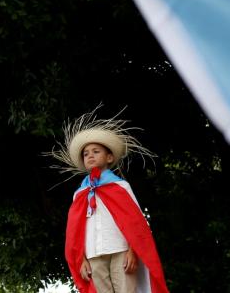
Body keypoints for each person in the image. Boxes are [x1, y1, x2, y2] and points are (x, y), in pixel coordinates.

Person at [48, 107, 168, 293]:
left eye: (96, 151)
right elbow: (76, 231)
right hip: (93, 254)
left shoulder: (120, 187)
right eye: (86, 153)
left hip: (120, 249)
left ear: (109, 157)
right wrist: (81, 259)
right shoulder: (80, 193)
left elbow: (136, 223)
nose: (90, 155)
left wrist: (132, 251)